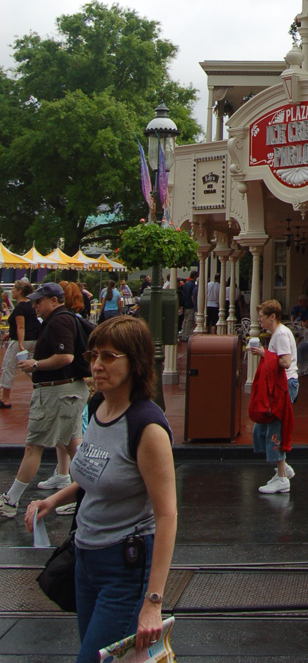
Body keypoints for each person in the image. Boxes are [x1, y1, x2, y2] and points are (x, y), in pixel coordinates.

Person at [24, 315, 177, 663]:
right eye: (93, 356)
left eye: (109, 357)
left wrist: (153, 602)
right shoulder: (98, 406)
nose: (96, 365)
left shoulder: (147, 427)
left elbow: (167, 515)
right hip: (85, 559)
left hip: (124, 567)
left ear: (135, 362)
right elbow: (96, 471)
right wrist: (55, 498)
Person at [0, 283, 90, 518]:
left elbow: (65, 356)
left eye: (39, 301)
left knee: (34, 446)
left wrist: (36, 364)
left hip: (57, 392)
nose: (35, 305)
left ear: (53, 300)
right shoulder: (63, 318)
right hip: (66, 391)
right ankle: (90, 494)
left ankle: (11, 501)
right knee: (73, 445)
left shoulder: (59, 321)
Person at [249, 300, 296, 493]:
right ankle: (282, 468)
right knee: (262, 429)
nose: (259, 320)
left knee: (274, 427)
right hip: (280, 385)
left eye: (261, 316)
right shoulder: (277, 334)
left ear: (272, 317)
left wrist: (264, 353)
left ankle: (282, 478)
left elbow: (285, 362)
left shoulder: (281, 334)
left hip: (284, 385)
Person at [0, 279, 38, 408]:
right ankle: (42, 383)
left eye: (14, 289)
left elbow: (21, 327)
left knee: (8, 366)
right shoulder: (31, 305)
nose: (12, 291)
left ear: (20, 291)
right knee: (29, 366)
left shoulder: (20, 308)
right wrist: (10, 334)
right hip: (34, 339)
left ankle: (5, 398)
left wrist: (20, 344)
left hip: (21, 341)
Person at [180, 271, 198, 339]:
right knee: (190, 321)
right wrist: (194, 304)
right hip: (190, 305)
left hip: (185, 304)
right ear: (194, 276)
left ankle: (184, 335)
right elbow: (192, 296)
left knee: (185, 320)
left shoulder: (186, 284)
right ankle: (187, 335)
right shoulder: (193, 285)